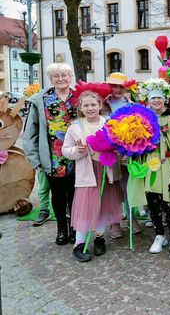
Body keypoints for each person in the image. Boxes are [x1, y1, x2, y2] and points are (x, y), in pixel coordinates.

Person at [61, 83, 123, 262]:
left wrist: (117, 150)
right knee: (86, 209)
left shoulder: (109, 123)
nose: (90, 108)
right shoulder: (75, 127)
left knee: (104, 205)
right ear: (80, 107)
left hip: (106, 170)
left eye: (93, 105)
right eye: (86, 105)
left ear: (100, 105)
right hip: (88, 173)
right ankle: (79, 243)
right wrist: (77, 152)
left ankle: (100, 237)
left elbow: (119, 144)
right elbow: (66, 150)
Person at [132, 79, 170, 259]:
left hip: (167, 163)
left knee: (169, 200)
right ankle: (159, 234)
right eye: (153, 98)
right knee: (152, 200)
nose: (156, 101)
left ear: (164, 99)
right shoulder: (141, 117)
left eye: (159, 98)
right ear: (147, 100)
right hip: (149, 163)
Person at [23, 63, 78, 244]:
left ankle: (75, 229)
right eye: (56, 76)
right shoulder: (41, 100)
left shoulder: (78, 97)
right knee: (59, 194)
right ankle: (61, 228)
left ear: (70, 77)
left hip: (78, 154)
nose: (61, 79)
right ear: (50, 79)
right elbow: (30, 131)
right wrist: (34, 158)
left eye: (64, 75)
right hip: (53, 156)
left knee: (75, 194)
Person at [102, 72, 141, 239]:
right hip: (109, 151)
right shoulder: (102, 105)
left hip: (127, 152)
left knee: (128, 187)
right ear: (109, 87)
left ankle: (132, 219)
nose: (118, 89)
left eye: (121, 86)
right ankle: (115, 223)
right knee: (112, 188)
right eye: (115, 86)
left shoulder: (132, 104)